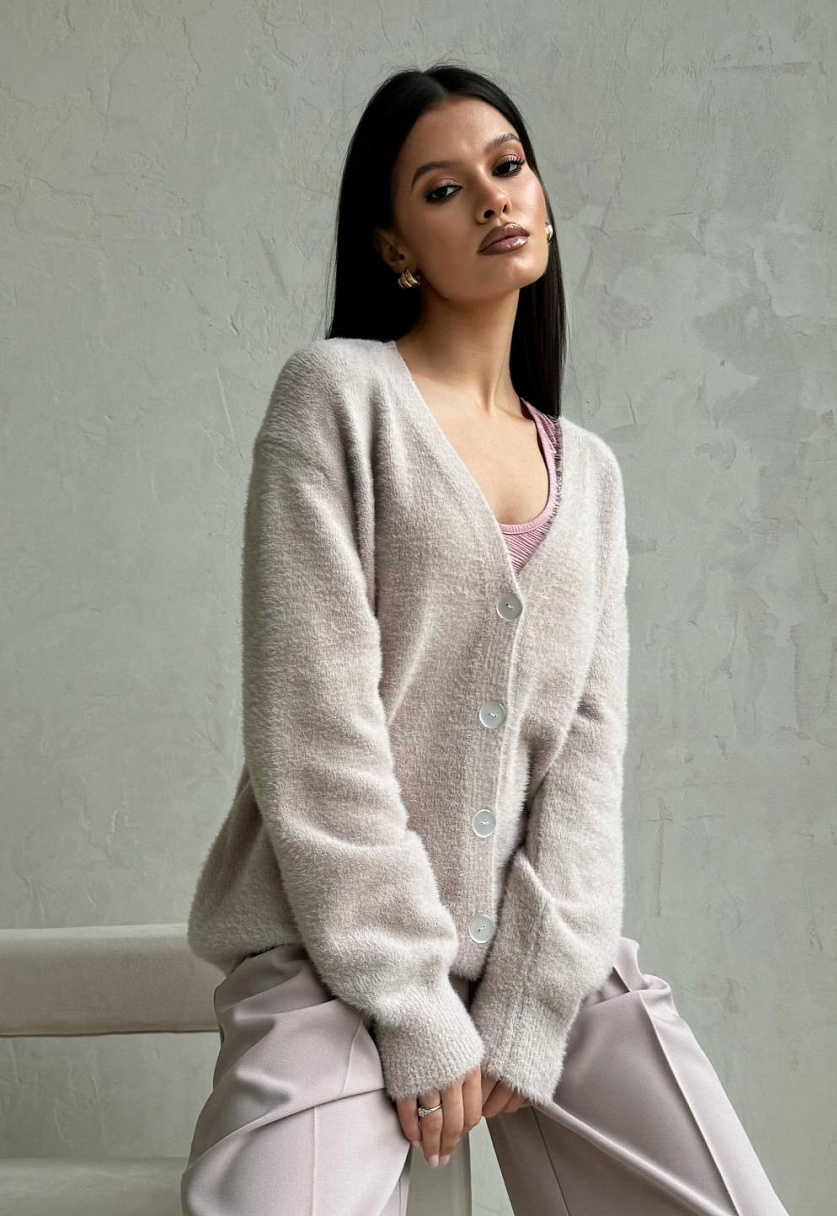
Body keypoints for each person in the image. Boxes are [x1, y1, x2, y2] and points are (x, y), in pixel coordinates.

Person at [180, 63, 791, 1215]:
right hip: (334, 959)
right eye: (443, 188)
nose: (494, 197)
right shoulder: (335, 399)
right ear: (394, 246)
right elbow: (314, 731)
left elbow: (587, 762)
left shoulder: (593, 477)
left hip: (546, 970)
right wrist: (413, 1004)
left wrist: (530, 1005)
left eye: (507, 167)